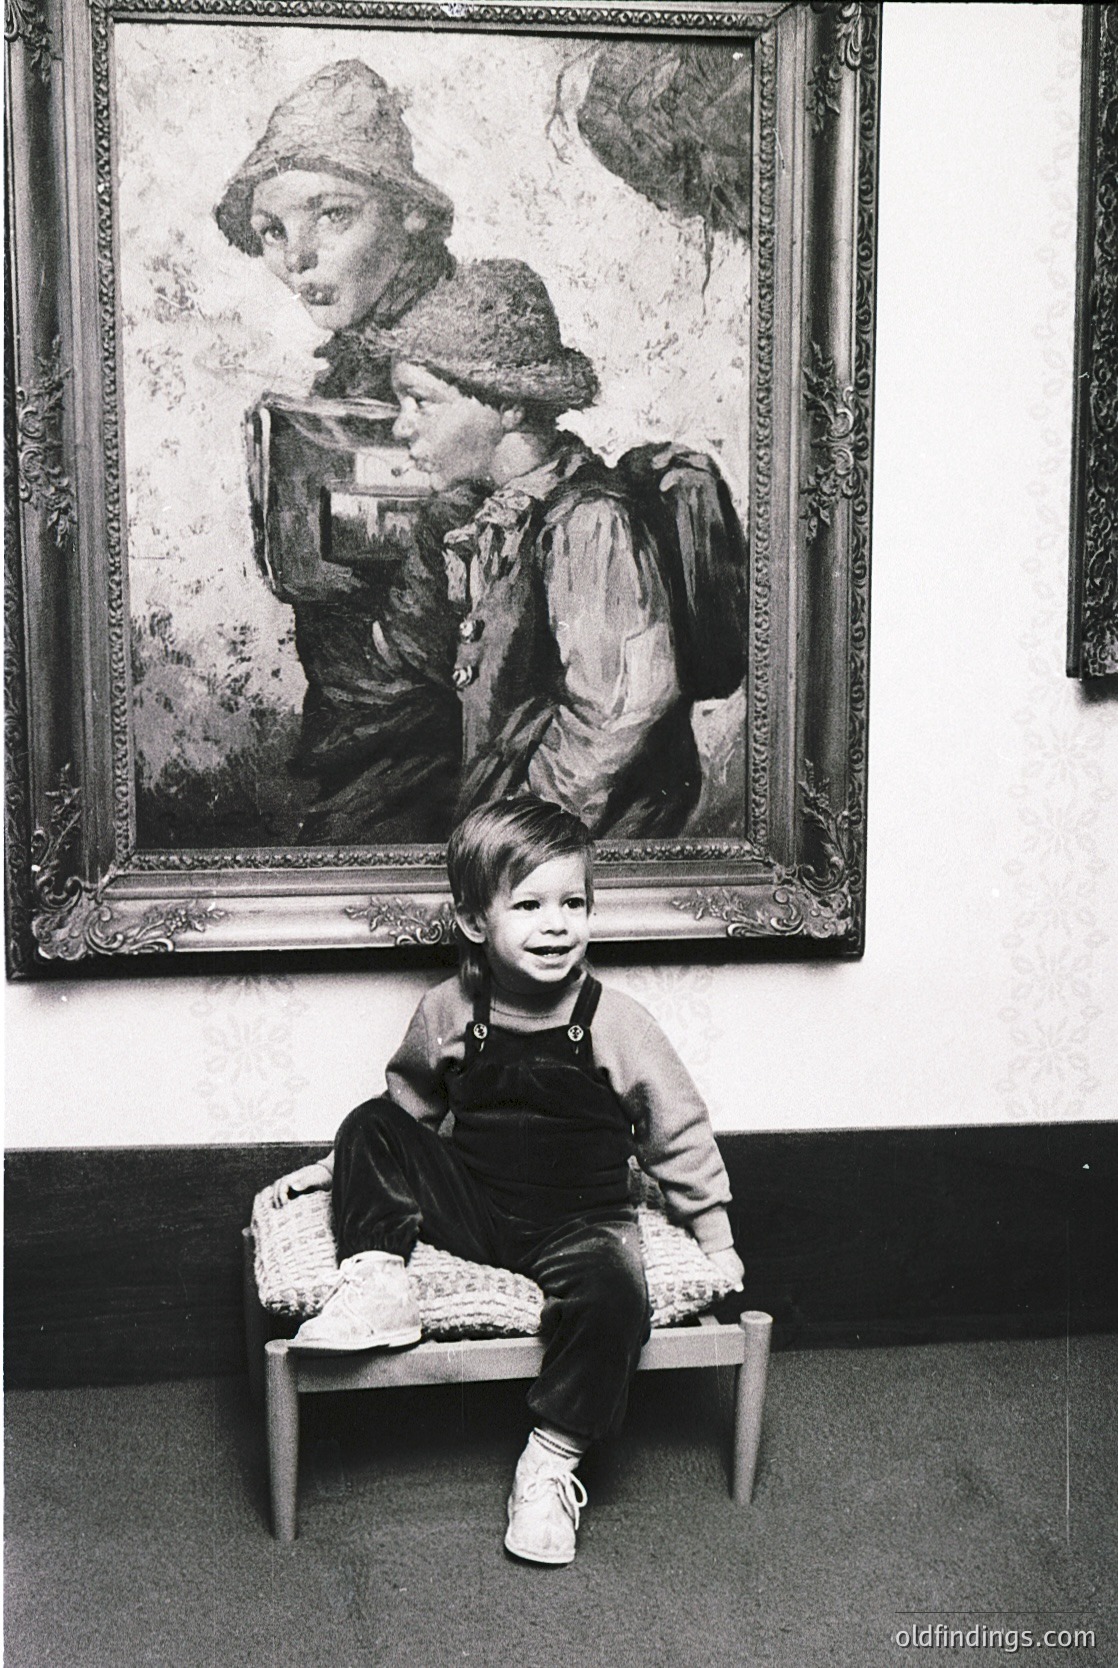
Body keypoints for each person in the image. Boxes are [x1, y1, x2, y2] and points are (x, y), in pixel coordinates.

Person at [269, 796, 744, 1565]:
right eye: (529, 905)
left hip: (579, 1225)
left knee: (619, 1296)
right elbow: (407, 1112)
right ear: (473, 921)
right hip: (477, 1206)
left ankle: (552, 1458)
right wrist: (335, 1169)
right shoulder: (450, 1010)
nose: (557, 924)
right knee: (366, 1119)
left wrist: (717, 1243)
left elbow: (677, 1134)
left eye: (573, 903)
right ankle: (377, 1285)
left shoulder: (615, 1021)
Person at [216, 60, 477, 841]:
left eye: (332, 214)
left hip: (439, 748)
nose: (297, 259)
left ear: (412, 218)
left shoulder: (461, 357)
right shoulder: (359, 357)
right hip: (361, 732)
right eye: (273, 230)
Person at [381, 258, 705, 836]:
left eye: (421, 402)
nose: (401, 428)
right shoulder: (498, 517)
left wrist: (517, 834)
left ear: (508, 403)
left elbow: (615, 719)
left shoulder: (589, 523)